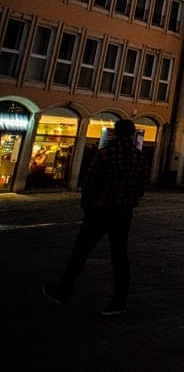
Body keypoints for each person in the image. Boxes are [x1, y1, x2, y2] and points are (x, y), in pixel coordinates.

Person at [42, 119, 148, 316]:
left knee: (81, 251)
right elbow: (142, 186)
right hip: (123, 212)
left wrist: (88, 204)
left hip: (100, 210)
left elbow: (90, 182)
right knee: (120, 256)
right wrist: (130, 199)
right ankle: (119, 300)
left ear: (116, 133)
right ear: (132, 134)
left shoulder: (105, 154)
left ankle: (64, 290)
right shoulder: (138, 157)